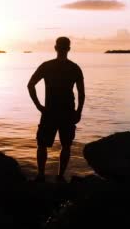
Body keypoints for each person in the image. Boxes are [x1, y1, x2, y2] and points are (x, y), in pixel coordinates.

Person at [27, 37, 85, 183]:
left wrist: (39, 106)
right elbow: (81, 93)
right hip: (67, 112)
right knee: (66, 145)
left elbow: (30, 85)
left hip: (50, 112)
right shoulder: (74, 67)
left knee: (42, 144)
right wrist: (78, 112)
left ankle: (41, 175)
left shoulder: (47, 66)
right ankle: (60, 177)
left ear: (55, 48)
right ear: (69, 49)